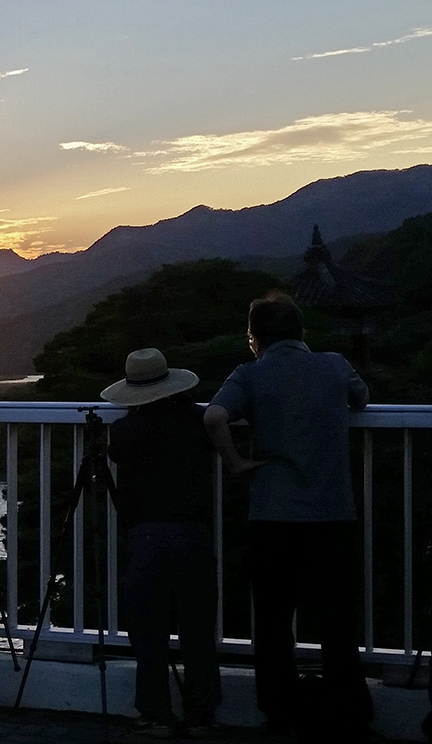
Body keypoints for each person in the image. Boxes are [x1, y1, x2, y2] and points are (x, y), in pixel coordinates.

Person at [204, 291, 372, 740]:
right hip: (333, 513)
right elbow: (360, 399)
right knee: (338, 621)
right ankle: (349, 714)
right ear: (301, 331)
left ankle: (281, 712)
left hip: (273, 515)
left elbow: (215, 416)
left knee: (274, 622)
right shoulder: (334, 364)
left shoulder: (250, 373)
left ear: (254, 337)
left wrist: (235, 463)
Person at [102, 348, 222, 737]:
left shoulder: (124, 431)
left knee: (148, 630)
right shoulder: (198, 421)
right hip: (193, 532)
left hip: (145, 536)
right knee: (197, 628)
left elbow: (116, 454)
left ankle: (156, 713)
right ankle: (201, 714)